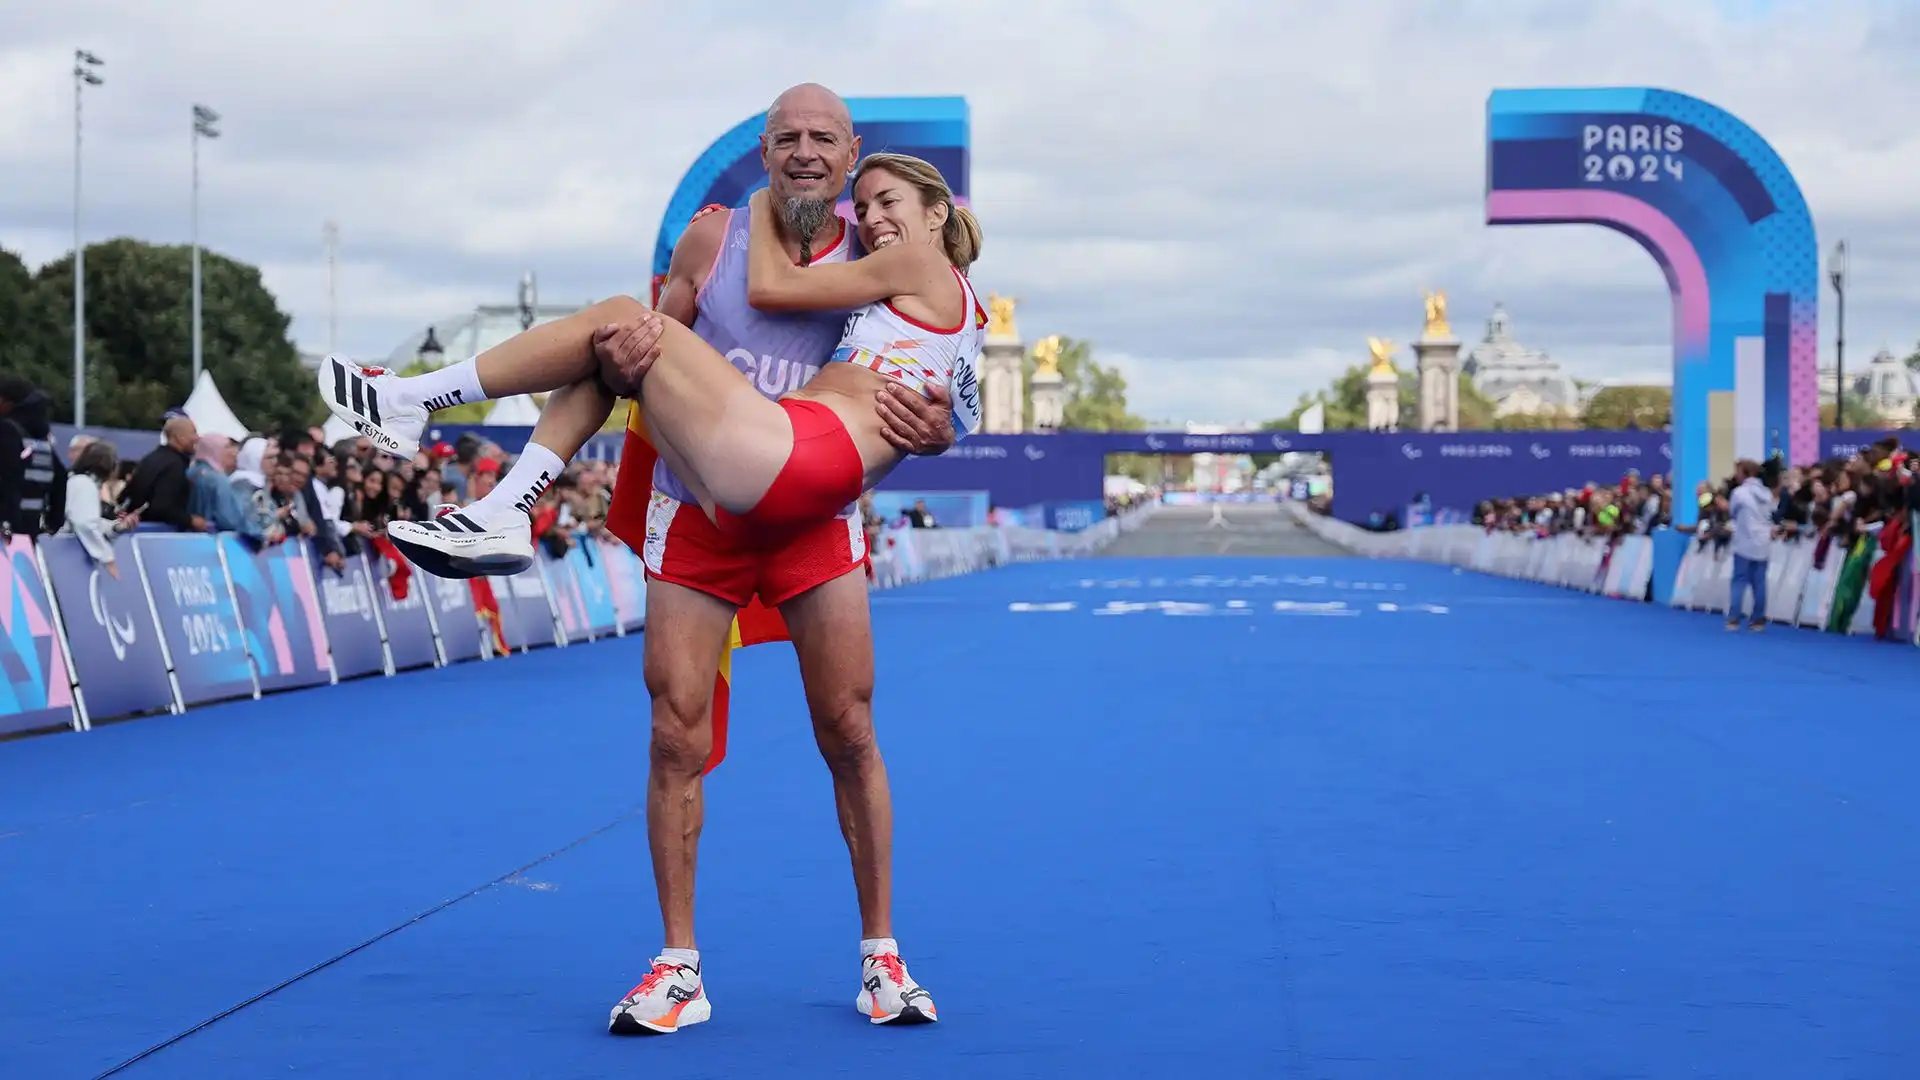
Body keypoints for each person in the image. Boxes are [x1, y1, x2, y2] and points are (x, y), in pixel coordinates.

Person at [318, 85, 956, 1034]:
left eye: (826, 139)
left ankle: (882, 958)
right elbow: (623, 365)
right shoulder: (712, 240)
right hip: (699, 503)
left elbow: (942, 374)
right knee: (674, 731)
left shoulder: (881, 245)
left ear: (852, 151)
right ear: (767, 154)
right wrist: (622, 351)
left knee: (849, 729)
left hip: (809, 508)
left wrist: (944, 430)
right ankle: (677, 967)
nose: (808, 153)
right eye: (788, 139)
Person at [60, 439, 141, 575]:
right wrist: (107, 558)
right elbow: (85, 524)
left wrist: (117, 526)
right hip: (62, 554)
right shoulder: (84, 485)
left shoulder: (81, 482)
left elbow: (89, 521)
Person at [1727, 459, 1776, 631]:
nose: (1736, 475)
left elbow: (1732, 513)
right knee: (1760, 582)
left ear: (1746, 473)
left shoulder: (1739, 493)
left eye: (1738, 471)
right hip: (1763, 542)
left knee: (1739, 580)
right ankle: (1758, 621)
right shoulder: (1767, 493)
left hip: (1744, 541)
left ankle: (1733, 619)